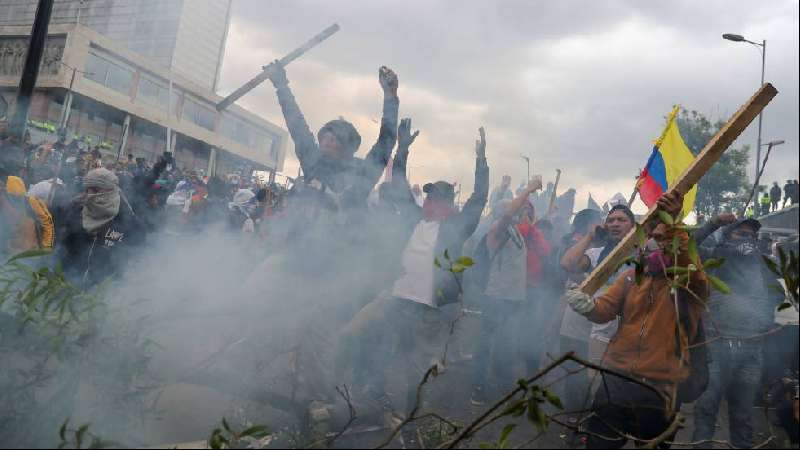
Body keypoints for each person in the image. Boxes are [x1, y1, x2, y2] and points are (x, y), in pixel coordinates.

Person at [338, 124, 489, 425]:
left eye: (440, 199)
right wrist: (403, 149)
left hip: (428, 310)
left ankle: (409, 420)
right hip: (394, 298)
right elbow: (399, 183)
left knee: (413, 368)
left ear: (449, 206)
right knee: (355, 334)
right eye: (430, 197)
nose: (432, 202)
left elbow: (479, 198)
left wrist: (481, 161)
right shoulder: (412, 218)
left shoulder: (456, 228)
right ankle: (372, 394)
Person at [563, 191, 709, 449]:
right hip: (616, 378)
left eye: (662, 238)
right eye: (651, 237)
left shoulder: (687, 281)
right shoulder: (632, 276)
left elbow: (689, 261)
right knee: (599, 444)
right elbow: (604, 309)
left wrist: (674, 222)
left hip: (660, 386)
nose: (654, 243)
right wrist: (587, 306)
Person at [264, 62, 399, 226]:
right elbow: (297, 125)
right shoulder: (313, 162)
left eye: (334, 139)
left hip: (338, 249)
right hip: (298, 246)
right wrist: (281, 86)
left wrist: (390, 98)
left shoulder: (360, 175)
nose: (327, 141)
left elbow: (385, 142)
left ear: (347, 148)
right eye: (325, 137)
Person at [691, 214, 785, 448]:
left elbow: (778, 295)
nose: (748, 240)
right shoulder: (713, 256)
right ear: (727, 236)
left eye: (753, 236)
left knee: (743, 415)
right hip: (715, 344)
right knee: (706, 408)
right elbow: (688, 246)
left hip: (751, 350)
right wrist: (713, 224)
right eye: (742, 234)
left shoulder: (763, 263)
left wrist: (762, 319)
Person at [471, 178, 542, 406]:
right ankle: (478, 387)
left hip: (513, 298)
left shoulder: (516, 232)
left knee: (505, 342)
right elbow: (508, 214)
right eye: (514, 208)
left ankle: (502, 384)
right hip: (496, 296)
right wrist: (528, 189)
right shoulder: (498, 228)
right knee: (486, 343)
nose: (520, 210)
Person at [561, 204, 636, 380]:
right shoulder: (597, 253)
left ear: (633, 227)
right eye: (610, 221)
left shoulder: (644, 253)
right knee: (595, 382)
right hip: (600, 331)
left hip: (631, 333)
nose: (615, 224)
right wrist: (590, 236)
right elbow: (567, 264)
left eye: (621, 220)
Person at [59, 168, 145, 287]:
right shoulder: (76, 209)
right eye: (88, 190)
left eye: (96, 190)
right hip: (71, 281)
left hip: (105, 289)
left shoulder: (126, 218)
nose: (90, 195)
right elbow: (63, 247)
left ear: (111, 191)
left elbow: (137, 247)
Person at [0, 175, 55, 256]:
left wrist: (47, 247)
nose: (16, 199)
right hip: (11, 249)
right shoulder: (3, 202)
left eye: (19, 197)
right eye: (13, 197)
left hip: (31, 249)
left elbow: (48, 223)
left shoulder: (33, 202)